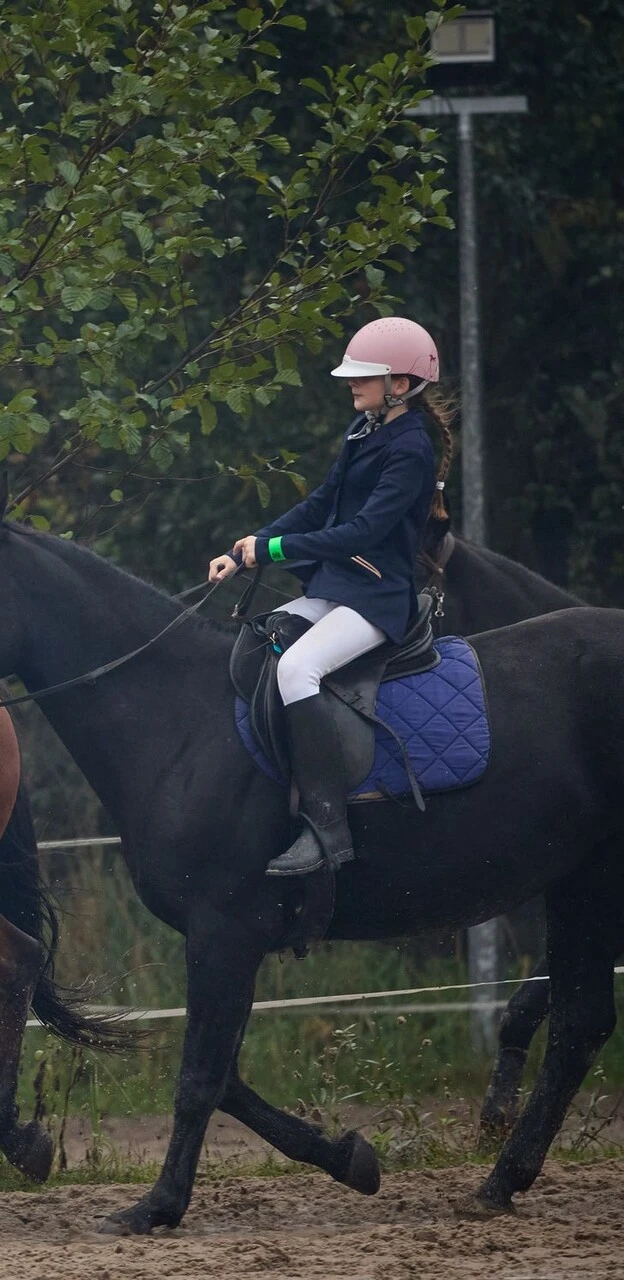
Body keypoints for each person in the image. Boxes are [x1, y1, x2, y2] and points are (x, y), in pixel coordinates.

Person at [208, 317, 454, 877]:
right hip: (336, 587)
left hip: (377, 599)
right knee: (263, 637)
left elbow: (363, 532)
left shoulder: (411, 448)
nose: (351, 383)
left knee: (297, 670)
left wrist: (273, 551)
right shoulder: (365, 431)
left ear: (399, 383)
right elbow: (320, 504)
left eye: (363, 375)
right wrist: (248, 545)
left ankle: (327, 830)